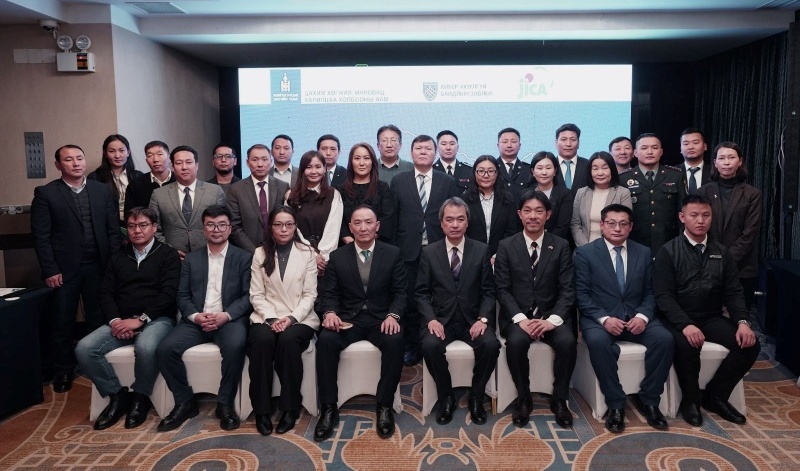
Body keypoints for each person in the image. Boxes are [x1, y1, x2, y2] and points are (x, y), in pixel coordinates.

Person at [654, 194, 760, 426]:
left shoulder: (722, 252)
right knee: (688, 345)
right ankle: (690, 401)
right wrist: (685, 324)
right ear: (682, 217)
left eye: (706, 215)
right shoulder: (668, 251)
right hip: (678, 318)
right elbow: (663, 296)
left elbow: (733, 293)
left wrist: (743, 322)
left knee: (750, 345)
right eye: (694, 215)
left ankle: (716, 396)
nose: (700, 220)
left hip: (710, 316)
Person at [75, 207, 180, 430]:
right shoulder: (118, 257)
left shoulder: (168, 255)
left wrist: (141, 319)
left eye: (143, 225)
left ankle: (140, 398)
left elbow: (168, 295)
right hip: (121, 320)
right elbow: (105, 293)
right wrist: (115, 321)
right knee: (84, 348)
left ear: (154, 227)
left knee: (145, 347)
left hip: (157, 319)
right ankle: (116, 395)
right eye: (132, 226)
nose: (137, 231)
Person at [574, 204, 673, 433]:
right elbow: (581, 294)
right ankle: (616, 403)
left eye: (623, 224)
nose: (617, 228)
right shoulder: (585, 253)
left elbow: (652, 291)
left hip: (636, 317)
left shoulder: (643, 252)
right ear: (602, 225)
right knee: (598, 342)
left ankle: (649, 400)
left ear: (630, 227)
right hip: (600, 319)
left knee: (665, 339)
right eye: (611, 223)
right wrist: (604, 319)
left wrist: (642, 316)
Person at [31, 144, 122, 393]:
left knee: (98, 317)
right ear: (58, 165)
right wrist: (50, 269)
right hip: (63, 270)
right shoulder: (46, 193)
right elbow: (41, 236)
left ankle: (98, 364)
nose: (76, 163)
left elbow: (113, 230)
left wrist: (114, 265)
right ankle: (62, 370)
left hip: (99, 266)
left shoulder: (101, 190)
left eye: (79, 158)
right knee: (62, 320)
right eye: (69, 159)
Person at [156, 205, 252, 432]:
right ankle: (184, 402)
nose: (216, 229)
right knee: (165, 349)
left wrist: (225, 315)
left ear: (229, 229)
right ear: (203, 228)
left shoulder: (244, 258)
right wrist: (196, 316)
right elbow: (182, 295)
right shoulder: (191, 259)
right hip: (196, 321)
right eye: (211, 225)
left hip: (228, 320)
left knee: (235, 346)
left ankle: (224, 404)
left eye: (221, 225)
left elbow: (249, 296)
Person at [315, 206, 407, 441]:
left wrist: (393, 315)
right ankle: (328, 408)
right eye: (358, 223)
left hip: (381, 319)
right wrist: (330, 313)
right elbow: (329, 293)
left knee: (396, 340)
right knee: (325, 340)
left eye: (368, 222)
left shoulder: (392, 253)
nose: (363, 227)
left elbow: (400, 292)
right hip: (348, 319)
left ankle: (384, 406)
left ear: (377, 226)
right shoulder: (338, 257)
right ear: (350, 227)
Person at [494, 190, 576, 429]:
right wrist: (520, 319)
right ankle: (523, 398)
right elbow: (502, 289)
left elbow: (568, 289)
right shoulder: (506, 246)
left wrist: (551, 320)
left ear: (548, 215)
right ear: (519, 214)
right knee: (517, 342)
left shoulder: (560, 246)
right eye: (527, 211)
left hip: (551, 316)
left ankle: (560, 399)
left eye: (539, 211)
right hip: (518, 317)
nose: (533, 216)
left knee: (568, 341)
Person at [417, 197, 500, 425]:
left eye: (460, 219)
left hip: (472, 320)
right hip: (441, 320)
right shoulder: (429, 252)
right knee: (429, 345)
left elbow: (489, 291)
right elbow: (421, 293)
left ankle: (476, 396)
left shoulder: (481, 250)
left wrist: (483, 319)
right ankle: (446, 397)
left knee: (491, 345)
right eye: (450, 219)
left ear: (467, 222)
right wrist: (431, 320)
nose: (455, 224)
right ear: (441, 223)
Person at [246, 206, 318, 436]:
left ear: (295, 227)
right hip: (267, 315)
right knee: (261, 341)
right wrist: (272, 318)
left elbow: (310, 294)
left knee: (288, 340)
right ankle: (262, 410)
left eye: (289, 224)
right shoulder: (260, 253)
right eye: (278, 224)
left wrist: (291, 318)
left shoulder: (307, 252)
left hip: (300, 317)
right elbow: (256, 294)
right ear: (271, 227)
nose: (284, 229)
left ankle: (290, 407)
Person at [390, 135, 461, 366]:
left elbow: (453, 215)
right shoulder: (399, 181)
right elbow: (394, 218)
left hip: (439, 249)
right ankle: (413, 346)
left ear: (435, 152)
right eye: (418, 148)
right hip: (408, 251)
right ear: (411, 153)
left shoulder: (446, 181)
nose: (423, 152)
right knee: (411, 300)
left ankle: (437, 339)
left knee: (439, 297)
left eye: (428, 148)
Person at [697, 142, 762, 310]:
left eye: (731, 157)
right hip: (708, 265)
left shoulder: (752, 194)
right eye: (722, 158)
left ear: (740, 161)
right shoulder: (703, 192)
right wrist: (714, 259)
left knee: (739, 316)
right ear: (715, 162)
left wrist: (725, 260)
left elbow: (750, 232)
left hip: (742, 268)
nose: (726, 162)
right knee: (709, 315)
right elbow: (698, 227)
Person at [149, 145, 227, 260]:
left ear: (197, 165)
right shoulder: (159, 194)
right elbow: (153, 228)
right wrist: (169, 251)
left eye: (189, 162)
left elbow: (223, 226)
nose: (184, 167)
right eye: (179, 163)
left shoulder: (215, 191)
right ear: (173, 166)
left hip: (209, 257)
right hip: (172, 259)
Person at [622, 133, 686, 253]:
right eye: (644, 148)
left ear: (661, 152)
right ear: (635, 153)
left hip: (669, 241)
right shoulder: (624, 178)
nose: (650, 152)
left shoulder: (675, 175)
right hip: (635, 241)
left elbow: (682, 210)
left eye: (654, 148)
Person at [286, 150, 344, 275]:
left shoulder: (334, 194)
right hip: (299, 256)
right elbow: (292, 229)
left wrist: (323, 257)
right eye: (309, 167)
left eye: (318, 167)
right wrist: (312, 256)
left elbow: (333, 229)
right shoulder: (290, 195)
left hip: (326, 261)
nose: (313, 171)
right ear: (302, 170)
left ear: (324, 169)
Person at [227, 144, 290, 253]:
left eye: (264, 159)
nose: (260, 164)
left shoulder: (282, 186)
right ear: (247, 162)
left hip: (278, 250)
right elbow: (234, 226)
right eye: (255, 160)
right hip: (247, 253)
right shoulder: (236, 189)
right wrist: (254, 252)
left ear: (271, 162)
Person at [571, 151, 632, 247]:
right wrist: (586, 248)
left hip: (614, 248)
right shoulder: (581, 193)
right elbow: (575, 224)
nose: (600, 173)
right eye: (595, 169)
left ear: (612, 169)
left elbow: (624, 224)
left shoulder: (623, 193)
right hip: (584, 248)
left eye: (605, 168)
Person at [462, 155, 518, 256]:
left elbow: (511, 231)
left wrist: (497, 256)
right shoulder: (464, 200)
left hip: (501, 257)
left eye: (491, 171)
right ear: (474, 173)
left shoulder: (508, 200)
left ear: (497, 173)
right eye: (481, 171)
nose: (486, 175)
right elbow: (462, 231)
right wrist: (476, 255)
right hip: (471, 255)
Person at [339, 143, 394, 244]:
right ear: (351, 162)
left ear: (372, 161)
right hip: (348, 245)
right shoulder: (341, 190)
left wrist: (369, 239)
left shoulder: (382, 187)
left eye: (366, 158)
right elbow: (338, 220)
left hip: (378, 244)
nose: (362, 163)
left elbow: (387, 217)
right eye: (357, 158)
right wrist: (348, 239)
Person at [88, 134, 143, 224]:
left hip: (135, 224)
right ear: (105, 153)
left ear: (128, 152)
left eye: (121, 150)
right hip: (108, 225)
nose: (117, 155)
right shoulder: (95, 178)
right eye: (112, 151)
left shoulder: (138, 176)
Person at [526, 151, 573, 241]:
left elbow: (562, 227)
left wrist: (542, 243)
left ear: (555, 171)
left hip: (556, 243)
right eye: (540, 168)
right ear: (533, 171)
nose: (544, 172)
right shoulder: (524, 194)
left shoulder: (565, 194)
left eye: (548, 168)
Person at [124, 140, 175, 213]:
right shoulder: (136, 184)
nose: (155, 160)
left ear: (169, 158)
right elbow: (130, 214)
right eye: (150, 156)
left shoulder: (179, 180)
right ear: (147, 161)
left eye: (160, 154)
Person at [495, 127, 531, 201]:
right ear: (498, 146)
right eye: (505, 142)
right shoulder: (491, 168)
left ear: (519, 146)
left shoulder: (528, 170)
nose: (509, 145)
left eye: (513, 142)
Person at [553, 123, 590, 192]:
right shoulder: (550, 165)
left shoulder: (588, 165)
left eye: (573, 140)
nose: (568, 144)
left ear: (578, 143)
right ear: (556, 143)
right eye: (564, 139)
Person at [679, 128, 710, 194]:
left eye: (695, 143)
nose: (691, 147)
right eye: (686, 144)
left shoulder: (714, 172)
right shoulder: (672, 173)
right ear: (680, 149)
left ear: (705, 146)